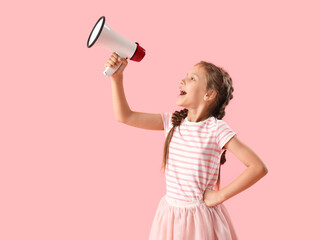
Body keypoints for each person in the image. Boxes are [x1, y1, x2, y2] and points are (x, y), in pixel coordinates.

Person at [105, 52, 268, 240]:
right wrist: (116, 78)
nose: (183, 80)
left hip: (200, 221)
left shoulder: (216, 129)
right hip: (170, 217)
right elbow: (125, 116)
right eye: (186, 76)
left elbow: (258, 167)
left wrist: (220, 195)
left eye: (192, 78)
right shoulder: (171, 122)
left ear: (209, 94)